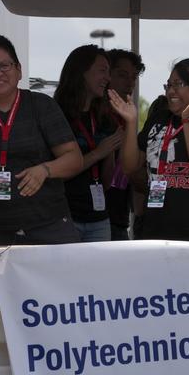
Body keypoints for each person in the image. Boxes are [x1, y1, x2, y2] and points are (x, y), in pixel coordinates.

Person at [0, 35, 83, 245]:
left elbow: (74, 159)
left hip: (47, 225)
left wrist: (44, 170)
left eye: (4, 65)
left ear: (19, 70)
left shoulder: (41, 106)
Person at [109, 58, 189, 242]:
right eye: (168, 85)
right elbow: (129, 166)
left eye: (178, 84)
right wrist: (131, 122)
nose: (170, 91)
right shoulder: (159, 119)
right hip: (155, 232)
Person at [55, 44, 123, 242]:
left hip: (99, 218)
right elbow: (57, 174)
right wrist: (99, 152)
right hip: (65, 217)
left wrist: (112, 150)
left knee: (100, 273)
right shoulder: (58, 115)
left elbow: (107, 181)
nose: (108, 79)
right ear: (81, 72)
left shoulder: (103, 117)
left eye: (109, 72)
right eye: (102, 71)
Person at [105, 48, 145, 240]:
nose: (130, 83)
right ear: (107, 75)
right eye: (122, 75)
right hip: (98, 213)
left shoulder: (127, 116)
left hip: (119, 212)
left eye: (134, 77)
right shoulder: (97, 114)